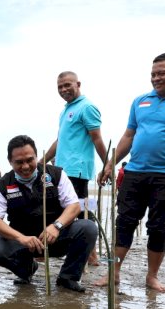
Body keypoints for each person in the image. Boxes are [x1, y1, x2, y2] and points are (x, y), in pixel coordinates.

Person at [96, 53, 165, 292]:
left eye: (162, 73)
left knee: (158, 226)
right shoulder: (140, 101)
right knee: (124, 222)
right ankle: (113, 272)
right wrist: (109, 164)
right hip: (135, 172)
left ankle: (152, 276)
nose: (156, 78)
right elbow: (128, 136)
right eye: (153, 74)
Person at [0, 135, 96, 292]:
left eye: (29, 160)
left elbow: (74, 205)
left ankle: (68, 277)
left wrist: (56, 226)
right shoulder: (3, 185)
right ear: (10, 161)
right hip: (25, 243)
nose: (25, 166)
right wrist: (21, 238)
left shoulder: (56, 175)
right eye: (19, 162)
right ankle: (27, 270)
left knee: (88, 227)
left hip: (57, 238)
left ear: (36, 157)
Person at [42, 71, 107, 266]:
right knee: (79, 208)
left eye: (67, 85)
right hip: (62, 170)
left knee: (80, 209)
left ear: (78, 84)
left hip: (77, 170)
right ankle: (90, 253)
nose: (63, 90)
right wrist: (41, 161)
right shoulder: (65, 110)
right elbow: (60, 140)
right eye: (60, 87)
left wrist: (108, 165)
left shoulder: (87, 107)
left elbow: (97, 138)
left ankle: (91, 254)